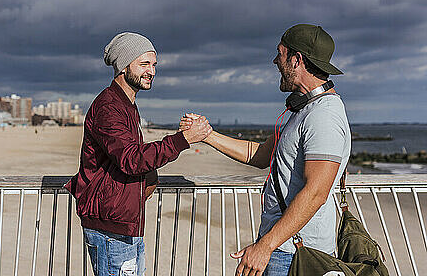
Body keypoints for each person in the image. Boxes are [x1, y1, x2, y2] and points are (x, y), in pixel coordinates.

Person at [181, 24, 351, 276]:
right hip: (283, 248)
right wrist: (207, 135)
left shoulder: (324, 115)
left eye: (280, 54)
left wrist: (265, 246)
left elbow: (316, 192)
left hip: (299, 254)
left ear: (296, 60)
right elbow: (261, 155)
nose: (275, 61)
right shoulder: (301, 111)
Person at [65, 32, 212, 276]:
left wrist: (149, 180)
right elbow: (131, 159)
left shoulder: (127, 104)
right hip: (110, 229)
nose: (152, 71)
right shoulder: (109, 106)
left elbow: (130, 157)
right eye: (144, 64)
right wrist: (183, 139)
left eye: (154, 65)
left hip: (124, 222)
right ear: (123, 66)